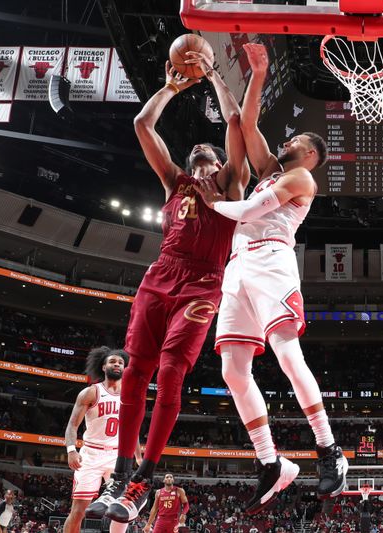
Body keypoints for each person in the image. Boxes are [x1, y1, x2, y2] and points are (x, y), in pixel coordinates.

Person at [87, 50, 249, 525]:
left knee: (173, 372)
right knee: (136, 371)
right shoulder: (175, 183)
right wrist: (172, 89)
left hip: (203, 281)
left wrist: (217, 75)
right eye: (195, 151)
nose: (201, 151)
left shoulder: (230, 183)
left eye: (209, 151)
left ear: (217, 160)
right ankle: (121, 474)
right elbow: (142, 124)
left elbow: (237, 121)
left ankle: (145, 477)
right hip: (161, 275)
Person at [194, 42, 345, 515]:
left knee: (286, 355)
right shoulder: (270, 169)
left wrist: (212, 204)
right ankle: (270, 461)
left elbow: (251, 209)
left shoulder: (301, 180)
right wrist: (257, 74)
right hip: (238, 267)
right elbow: (246, 123)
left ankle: (328, 450)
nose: (288, 141)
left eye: (298, 139)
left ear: (311, 154)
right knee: (232, 370)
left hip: (272, 263)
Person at [63, 347, 137, 533]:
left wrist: (139, 457)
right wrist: (71, 450)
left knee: (120, 510)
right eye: (112, 361)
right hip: (91, 454)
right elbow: (72, 425)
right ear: (103, 367)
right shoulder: (90, 392)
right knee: (78, 511)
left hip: (117, 457)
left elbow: (132, 430)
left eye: (121, 362)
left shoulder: (129, 395)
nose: (117, 364)